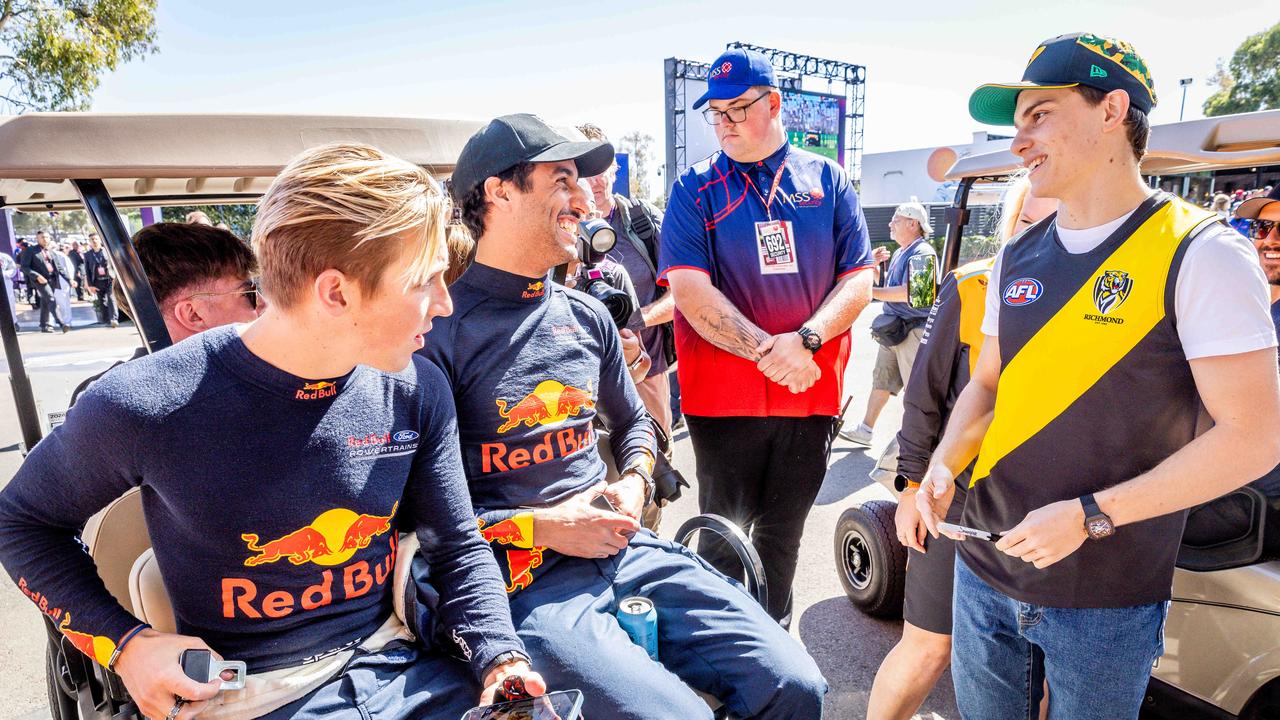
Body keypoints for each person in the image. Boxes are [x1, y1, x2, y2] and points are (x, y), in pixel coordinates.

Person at [0, 143, 544, 720]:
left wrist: (500, 656)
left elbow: (457, 546)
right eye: (425, 282)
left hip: (402, 665)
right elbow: (21, 522)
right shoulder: (149, 400)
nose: (443, 304)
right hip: (248, 697)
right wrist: (126, 647)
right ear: (336, 292)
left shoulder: (416, 387)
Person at [917, 33, 1280, 719]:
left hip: (1106, 600)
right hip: (984, 571)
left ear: (1112, 110)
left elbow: (1256, 438)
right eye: (1016, 123)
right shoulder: (1015, 255)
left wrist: (1092, 516)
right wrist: (942, 464)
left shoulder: (1204, 253)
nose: (1019, 142)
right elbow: (989, 385)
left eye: (1040, 114)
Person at [424, 113, 825, 720]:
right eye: (562, 179)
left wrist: (635, 481)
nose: (585, 198)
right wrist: (540, 524)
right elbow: (419, 515)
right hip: (523, 585)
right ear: (497, 192)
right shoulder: (436, 333)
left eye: (581, 181)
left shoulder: (586, 316)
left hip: (630, 550)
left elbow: (638, 424)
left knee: (796, 684)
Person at [660, 47, 875, 623]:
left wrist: (805, 340)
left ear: (774, 103)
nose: (725, 124)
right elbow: (689, 292)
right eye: (716, 113)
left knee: (783, 535)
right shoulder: (695, 188)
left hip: (809, 398)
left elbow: (860, 281)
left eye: (737, 109)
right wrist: (772, 353)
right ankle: (721, 653)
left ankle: (776, 646)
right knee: (724, 538)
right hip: (723, 402)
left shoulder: (826, 180)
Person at [867, 177, 1057, 720]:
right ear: (1010, 224)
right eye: (1027, 222)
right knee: (930, 644)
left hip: (1046, 508)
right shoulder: (973, 286)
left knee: (1039, 661)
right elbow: (923, 398)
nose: (1041, 236)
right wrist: (908, 487)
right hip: (959, 497)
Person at [1182, 183, 1280, 548]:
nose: (1269, 240)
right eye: (1263, 228)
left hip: (1251, 499)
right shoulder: (1236, 300)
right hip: (1214, 474)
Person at [70, 224, 263, 405]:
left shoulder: (94, 397)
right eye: (249, 294)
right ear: (193, 314)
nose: (264, 305)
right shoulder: (109, 403)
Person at [577, 124, 677, 435]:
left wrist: (634, 320)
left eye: (601, 167)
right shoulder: (561, 228)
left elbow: (682, 292)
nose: (595, 179)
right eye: (585, 167)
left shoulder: (642, 219)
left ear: (614, 169)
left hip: (645, 373)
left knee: (659, 466)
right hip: (581, 381)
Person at [842, 200, 938, 446]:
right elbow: (885, 285)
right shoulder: (900, 252)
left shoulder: (922, 252)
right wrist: (872, 267)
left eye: (896, 219)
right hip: (895, 329)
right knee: (882, 381)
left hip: (914, 329)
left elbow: (919, 295)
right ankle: (865, 430)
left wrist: (870, 291)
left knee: (916, 390)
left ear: (913, 223)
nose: (890, 224)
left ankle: (918, 440)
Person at [19, 230, 71, 333]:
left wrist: (70, 280)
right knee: (51, 299)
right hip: (39, 281)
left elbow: (59, 268)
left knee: (45, 301)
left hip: (52, 279)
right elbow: (25, 267)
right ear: (37, 239)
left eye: (47, 237)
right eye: (42, 237)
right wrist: (37, 276)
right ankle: (61, 323)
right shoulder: (30, 251)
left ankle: (44, 325)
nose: (45, 239)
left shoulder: (51, 252)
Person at [83, 233, 119, 328]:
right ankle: (107, 320)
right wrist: (90, 285)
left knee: (111, 298)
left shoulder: (107, 251)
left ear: (99, 240)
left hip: (109, 279)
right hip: (97, 281)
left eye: (95, 239)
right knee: (102, 301)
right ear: (90, 242)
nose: (94, 241)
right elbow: (87, 271)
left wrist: (116, 278)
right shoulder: (87, 255)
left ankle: (114, 319)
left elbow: (114, 265)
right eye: (92, 239)